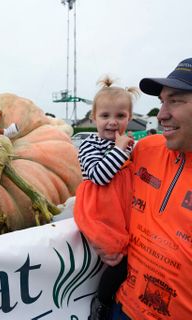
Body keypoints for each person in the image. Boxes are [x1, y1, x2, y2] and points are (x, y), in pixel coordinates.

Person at [93, 58, 192, 320]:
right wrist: (97, 230)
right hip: (123, 307)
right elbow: (98, 189)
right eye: (162, 101)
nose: (161, 114)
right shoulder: (144, 149)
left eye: (176, 100)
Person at [73, 76, 139, 320]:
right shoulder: (90, 145)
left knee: (133, 254)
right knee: (117, 257)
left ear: (129, 119)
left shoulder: (130, 145)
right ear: (93, 118)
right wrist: (119, 150)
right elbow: (100, 176)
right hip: (101, 208)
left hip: (123, 207)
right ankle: (102, 301)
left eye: (120, 116)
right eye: (105, 116)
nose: (112, 122)